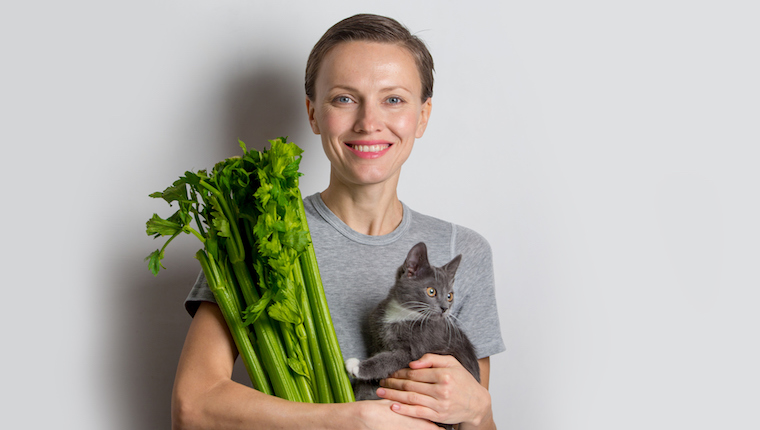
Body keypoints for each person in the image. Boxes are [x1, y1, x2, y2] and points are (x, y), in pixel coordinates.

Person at [172, 14, 505, 429]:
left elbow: (475, 422)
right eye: (344, 98)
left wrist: (480, 411)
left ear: (422, 116)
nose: (368, 122)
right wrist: (353, 419)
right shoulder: (257, 235)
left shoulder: (463, 251)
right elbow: (192, 408)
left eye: (394, 99)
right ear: (313, 114)